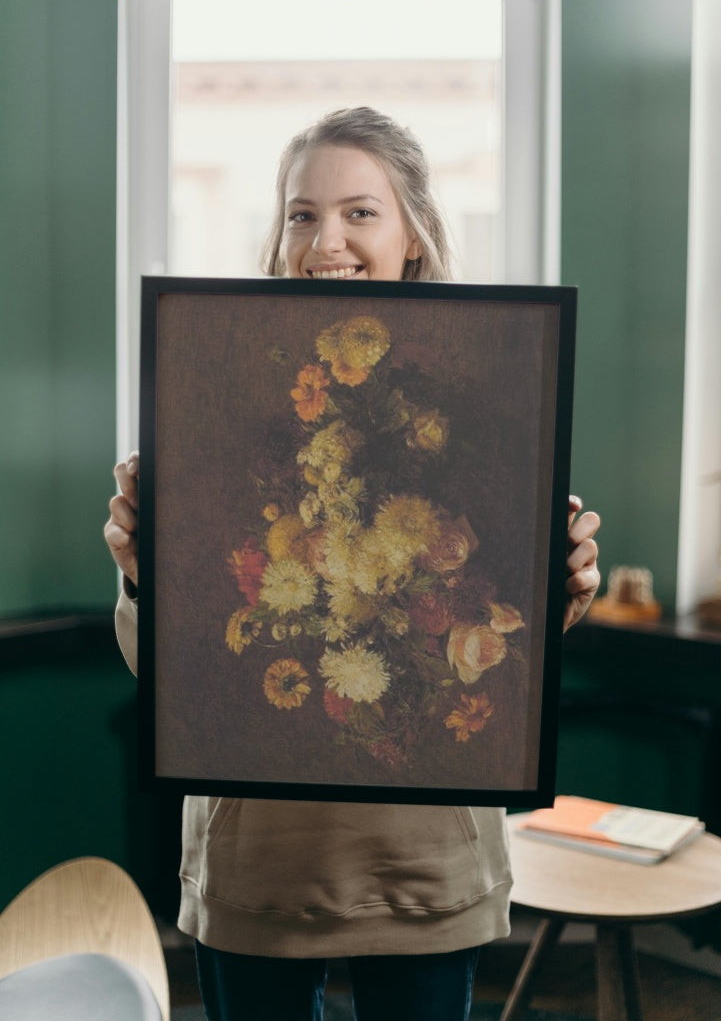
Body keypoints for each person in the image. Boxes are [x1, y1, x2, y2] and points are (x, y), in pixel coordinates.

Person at [105, 107, 601, 1021]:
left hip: (424, 862)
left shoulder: (490, 398)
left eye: (359, 212)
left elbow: (503, 656)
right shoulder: (210, 394)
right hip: (258, 862)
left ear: (412, 233)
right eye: (301, 213)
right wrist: (145, 576)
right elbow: (176, 670)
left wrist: (558, 586)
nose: (324, 239)